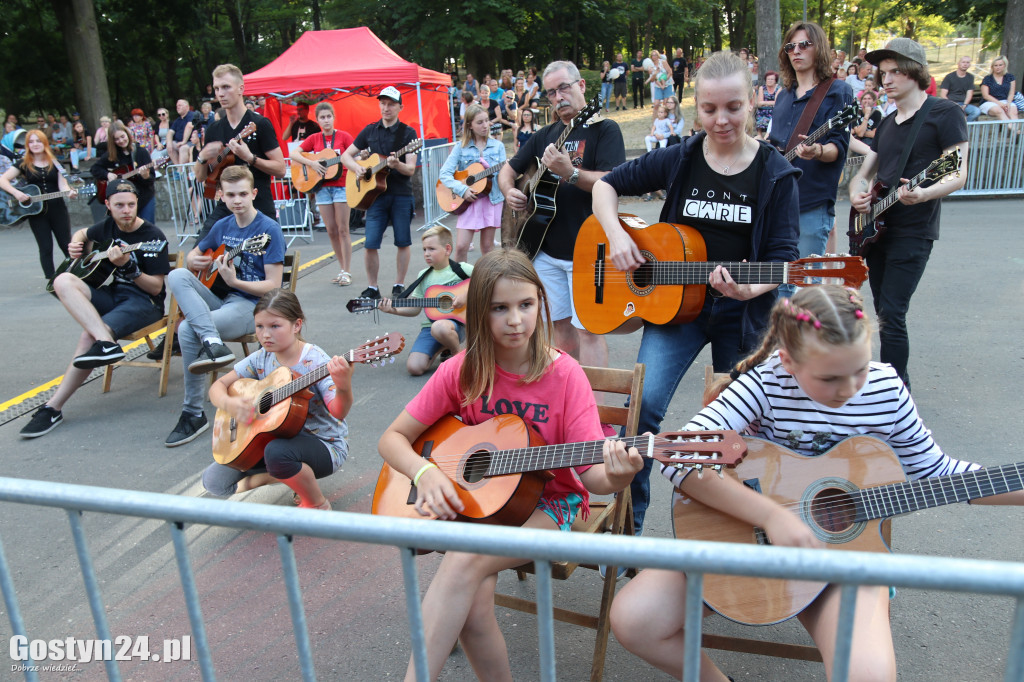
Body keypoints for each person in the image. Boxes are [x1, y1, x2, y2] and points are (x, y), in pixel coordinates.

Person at [610, 285, 1024, 681]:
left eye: (859, 370)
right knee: (635, 618)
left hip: (842, 561)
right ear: (788, 360)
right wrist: (772, 516)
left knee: (868, 675)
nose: (848, 389)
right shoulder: (765, 383)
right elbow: (678, 456)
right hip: (747, 547)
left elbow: (936, 472)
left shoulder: (886, 390)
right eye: (829, 379)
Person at [377, 248, 643, 682]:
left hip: (552, 505)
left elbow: (593, 478)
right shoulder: (462, 370)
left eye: (526, 305)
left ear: (541, 303)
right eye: (500, 308)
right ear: (479, 313)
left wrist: (621, 473)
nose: (515, 320)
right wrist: (424, 473)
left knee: (462, 563)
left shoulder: (565, 375)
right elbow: (392, 439)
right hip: (481, 502)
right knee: (474, 610)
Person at [591, 50, 800, 535]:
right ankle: (629, 537)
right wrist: (618, 237)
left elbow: (785, 259)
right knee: (641, 412)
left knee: (742, 430)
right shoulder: (683, 156)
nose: (721, 119)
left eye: (732, 107)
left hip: (743, 319)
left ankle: (744, 544)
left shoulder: (776, 174)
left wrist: (754, 287)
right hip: (673, 312)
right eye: (709, 109)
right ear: (696, 108)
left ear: (752, 102)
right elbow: (605, 186)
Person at [850, 37, 968, 390]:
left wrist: (925, 192)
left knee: (892, 312)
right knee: (883, 313)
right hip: (877, 228)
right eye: (882, 72)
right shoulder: (886, 122)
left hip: (914, 230)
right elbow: (864, 172)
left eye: (895, 71)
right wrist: (857, 191)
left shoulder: (944, 113)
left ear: (915, 73)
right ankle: (887, 386)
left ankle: (897, 393)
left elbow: (958, 171)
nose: (886, 79)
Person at [498, 60, 625, 368]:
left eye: (564, 88)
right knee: (558, 329)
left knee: (590, 331)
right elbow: (508, 170)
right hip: (545, 251)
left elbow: (614, 181)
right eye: (551, 92)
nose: (558, 97)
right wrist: (510, 191)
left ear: (581, 86)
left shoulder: (604, 130)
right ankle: (568, 396)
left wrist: (571, 173)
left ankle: (597, 410)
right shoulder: (544, 136)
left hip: (588, 251)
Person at [18, 182, 170, 438]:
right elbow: (82, 233)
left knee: (88, 336)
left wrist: (131, 269)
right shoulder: (107, 226)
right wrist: (77, 245)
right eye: (119, 205)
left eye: (131, 205)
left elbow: (156, 288)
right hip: (114, 294)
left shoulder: (152, 236)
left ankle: (53, 407)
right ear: (108, 206)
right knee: (62, 280)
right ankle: (106, 342)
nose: (126, 211)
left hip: (143, 302)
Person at [164, 166, 285, 447]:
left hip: (251, 305)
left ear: (254, 193)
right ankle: (211, 340)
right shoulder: (222, 225)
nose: (237, 200)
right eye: (231, 195)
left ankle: (193, 413)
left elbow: (274, 286)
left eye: (243, 193)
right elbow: (196, 252)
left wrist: (235, 281)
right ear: (221, 196)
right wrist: (196, 260)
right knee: (178, 274)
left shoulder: (268, 229)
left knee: (186, 330)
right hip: (221, 298)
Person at [201, 290, 352, 509]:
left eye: (274, 326)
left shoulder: (315, 361)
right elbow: (218, 386)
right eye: (259, 326)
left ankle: (316, 503)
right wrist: (229, 404)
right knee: (214, 482)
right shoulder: (262, 356)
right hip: (270, 440)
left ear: (296, 325)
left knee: (278, 453)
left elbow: (338, 411)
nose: (265, 335)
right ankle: (277, 475)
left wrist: (343, 385)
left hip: (324, 446)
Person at [768, 21, 854, 276]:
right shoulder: (783, 95)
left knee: (804, 285)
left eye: (805, 44)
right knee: (777, 284)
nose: (796, 51)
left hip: (811, 202)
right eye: (790, 46)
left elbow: (839, 148)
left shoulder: (839, 92)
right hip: (777, 203)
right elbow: (775, 145)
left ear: (820, 49)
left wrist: (817, 150)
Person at [341, 86, 418, 301]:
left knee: (403, 241)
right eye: (383, 103)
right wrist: (357, 168)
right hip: (375, 196)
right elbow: (346, 156)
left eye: (391, 104)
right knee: (370, 243)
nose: (386, 108)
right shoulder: (370, 131)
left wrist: (397, 165)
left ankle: (399, 285)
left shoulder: (409, 134)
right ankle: (372, 287)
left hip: (401, 194)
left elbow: (410, 169)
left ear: (400, 107)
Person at [194, 63, 287, 235]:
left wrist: (250, 158)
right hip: (225, 207)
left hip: (258, 206)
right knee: (198, 256)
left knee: (268, 259)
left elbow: (281, 169)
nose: (220, 93)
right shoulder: (214, 129)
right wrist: (202, 157)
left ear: (240, 89)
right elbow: (201, 177)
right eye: (217, 88)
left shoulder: (259, 124)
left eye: (226, 87)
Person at [379, 226, 473, 376]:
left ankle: (458, 357)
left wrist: (465, 295)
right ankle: (443, 346)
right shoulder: (423, 275)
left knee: (439, 327)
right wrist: (392, 310)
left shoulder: (462, 269)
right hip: (430, 328)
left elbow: (489, 279)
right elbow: (415, 308)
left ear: (447, 249)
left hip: (458, 325)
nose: (426, 254)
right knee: (414, 368)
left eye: (431, 249)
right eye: (424, 250)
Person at [290, 102, 355, 286]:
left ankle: (347, 271)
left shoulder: (344, 136)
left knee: (343, 229)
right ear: (317, 120)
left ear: (334, 117)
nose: (326, 120)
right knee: (331, 230)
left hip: (341, 185)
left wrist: (360, 158)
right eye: (322, 117)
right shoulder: (314, 138)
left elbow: (354, 154)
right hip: (321, 188)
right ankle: (341, 268)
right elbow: (295, 153)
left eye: (329, 116)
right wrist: (311, 163)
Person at [0, 130, 76, 281]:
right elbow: (2, 180)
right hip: (36, 212)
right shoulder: (23, 163)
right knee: (45, 247)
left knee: (66, 244)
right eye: (31, 142)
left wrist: (70, 192)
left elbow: (63, 185)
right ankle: (51, 279)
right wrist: (16, 193)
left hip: (57, 209)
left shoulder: (55, 162)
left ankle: (74, 274)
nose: (35, 144)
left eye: (38, 141)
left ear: (45, 143)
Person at [438, 104, 506, 262]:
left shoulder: (498, 146)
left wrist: (500, 172)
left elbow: (505, 174)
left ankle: (486, 283)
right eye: (480, 122)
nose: (485, 126)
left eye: (487, 121)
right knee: (461, 246)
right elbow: (444, 173)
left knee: (488, 247)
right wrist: (462, 190)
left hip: (491, 200)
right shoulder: (460, 148)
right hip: (468, 201)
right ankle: (461, 284)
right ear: (470, 125)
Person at [90, 122, 156, 223]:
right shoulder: (113, 154)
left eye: (122, 136)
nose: (121, 140)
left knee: (147, 230)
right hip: (122, 200)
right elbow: (95, 168)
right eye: (116, 139)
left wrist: (146, 176)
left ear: (127, 134)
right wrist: (107, 174)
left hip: (144, 197)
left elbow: (151, 179)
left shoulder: (141, 152)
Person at [938, 57, 981, 122]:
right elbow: (943, 95)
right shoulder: (949, 77)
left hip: (963, 104)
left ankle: (964, 126)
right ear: (958, 64)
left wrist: (964, 105)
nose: (965, 64)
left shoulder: (970, 77)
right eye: (963, 62)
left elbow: (969, 94)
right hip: (950, 103)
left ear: (969, 65)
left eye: (967, 62)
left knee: (976, 111)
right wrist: (955, 105)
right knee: (955, 114)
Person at [979, 56, 1018, 121]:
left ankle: (1014, 130)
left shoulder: (1010, 77)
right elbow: (986, 95)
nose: (998, 67)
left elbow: (1011, 93)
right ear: (992, 67)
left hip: (1005, 100)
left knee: (1013, 111)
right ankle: (1016, 131)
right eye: (995, 65)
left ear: (1004, 66)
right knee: (999, 111)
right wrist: (999, 103)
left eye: (1000, 65)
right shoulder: (987, 79)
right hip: (990, 102)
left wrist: (1008, 103)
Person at [166, 99, 196, 165]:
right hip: (179, 142)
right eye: (177, 106)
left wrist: (184, 141)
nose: (177, 107)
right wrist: (169, 143)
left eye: (180, 105)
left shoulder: (191, 115)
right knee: (171, 145)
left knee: (183, 148)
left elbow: (189, 126)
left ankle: (183, 171)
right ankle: (179, 169)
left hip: (191, 142)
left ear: (187, 106)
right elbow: (170, 132)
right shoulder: (177, 120)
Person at [755, 71, 780, 138]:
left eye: (772, 79)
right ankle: (759, 135)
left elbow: (777, 102)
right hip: (763, 109)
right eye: (768, 79)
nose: (770, 81)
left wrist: (764, 103)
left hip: (774, 109)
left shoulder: (779, 88)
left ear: (775, 80)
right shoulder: (762, 88)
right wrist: (770, 103)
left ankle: (768, 135)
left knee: (773, 113)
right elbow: (759, 103)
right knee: (760, 112)